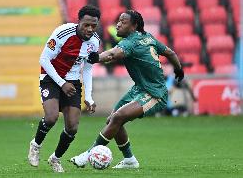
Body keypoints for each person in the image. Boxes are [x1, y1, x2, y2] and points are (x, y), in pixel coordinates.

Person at [70, 10, 184, 168]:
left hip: (155, 94)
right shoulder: (147, 37)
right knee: (113, 120)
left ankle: (88, 154)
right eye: (118, 21)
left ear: (134, 25)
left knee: (117, 117)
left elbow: (112, 54)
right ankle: (130, 160)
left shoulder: (130, 42)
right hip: (140, 89)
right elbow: (170, 52)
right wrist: (179, 69)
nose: (118, 24)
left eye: (123, 22)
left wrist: (94, 57)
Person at [27, 5, 101, 173]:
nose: (90, 29)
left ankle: (55, 159)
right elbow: (44, 59)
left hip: (73, 82)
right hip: (51, 78)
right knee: (51, 117)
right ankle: (36, 145)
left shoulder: (95, 42)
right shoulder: (62, 32)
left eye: (94, 26)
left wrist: (88, 97)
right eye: (86, 25)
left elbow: (88, 69)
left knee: (72, 127)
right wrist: (61, 83)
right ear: (79, 21)